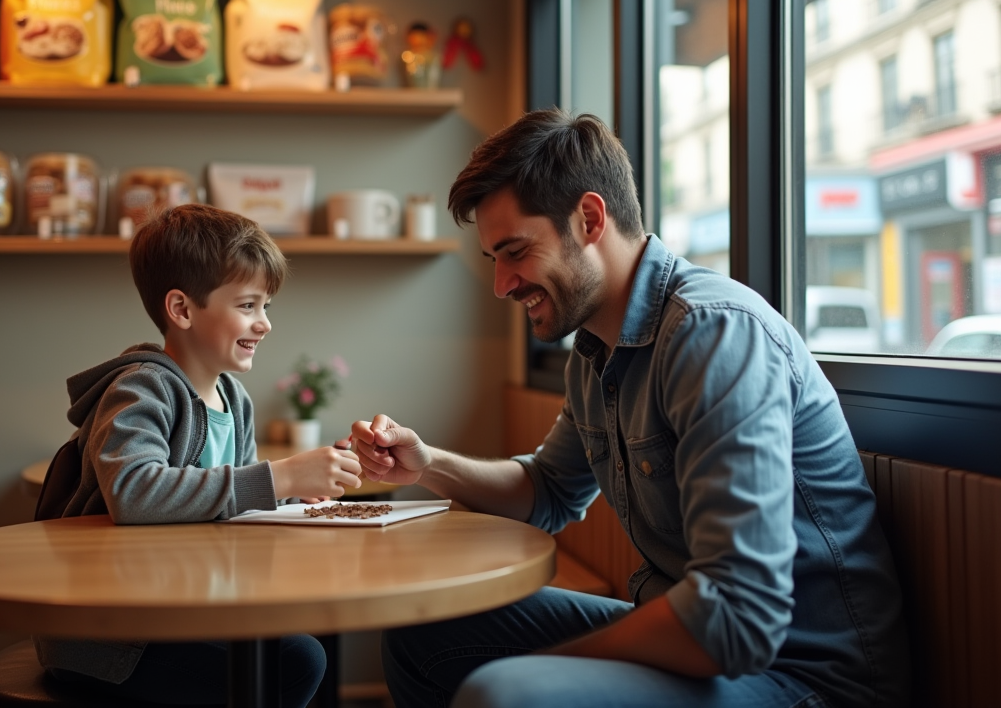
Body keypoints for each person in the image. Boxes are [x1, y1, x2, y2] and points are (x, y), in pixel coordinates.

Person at [350, 108, 911, 708]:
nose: (502, 284)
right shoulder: (595, 350)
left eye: (515, 252)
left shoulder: (713, 333)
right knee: (424, 634)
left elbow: (736, 618)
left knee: (504, 692)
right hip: (703, 640)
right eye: (495, 260)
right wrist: (428, 464)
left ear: (590, 219)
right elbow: (549, 492)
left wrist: (545, 668)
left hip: (802, 676)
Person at [36, 203, 363, 707]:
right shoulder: (142, 389)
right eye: (248, 305)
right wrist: (279, 477)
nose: (265, 324)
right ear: (182, 310)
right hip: (114, 637)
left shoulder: (234, 399)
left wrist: (301, 492)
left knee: (298, 643)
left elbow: (240, 505)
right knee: (296, 661)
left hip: (187, 610)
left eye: (267, 307)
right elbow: (133, 492)